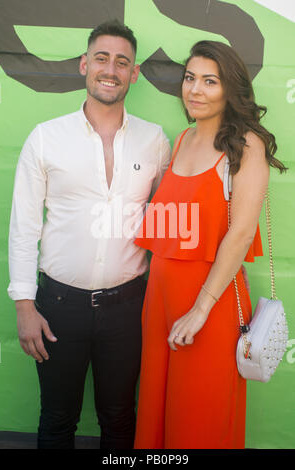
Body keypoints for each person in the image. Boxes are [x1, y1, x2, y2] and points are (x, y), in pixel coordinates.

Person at [7, 20, 171, 449]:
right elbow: (24, 227)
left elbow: (164, 227)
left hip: (128, 309)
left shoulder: (155, 141)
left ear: (134, 73)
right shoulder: (45, 139)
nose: (110, 69)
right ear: (84, 64)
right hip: (59, 307)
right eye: (101, 58)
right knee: (58, 418)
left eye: (122, 62)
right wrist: (25, 305)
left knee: (119, 418)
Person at [133, 40, 287, 449]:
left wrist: (201, 308)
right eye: (189, 78)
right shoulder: (182, 140)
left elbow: (239, 233)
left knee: (199, 416)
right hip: (161, 301)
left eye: (209, 81)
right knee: (158, 409)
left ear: (229, 89)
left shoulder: (246, 145)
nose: (195, 90)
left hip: (211, 303)